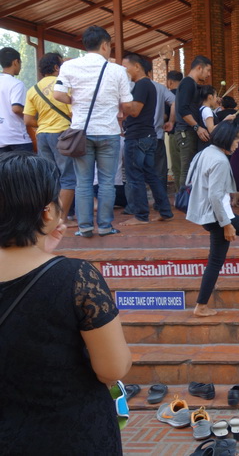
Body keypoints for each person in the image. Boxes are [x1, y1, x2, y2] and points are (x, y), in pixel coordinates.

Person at [0, 152, 132, 454]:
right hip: (72, 436)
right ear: (48, 212)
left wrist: (40, 246)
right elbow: (112, 368)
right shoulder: (76, 278)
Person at [53, 26, 134, 238]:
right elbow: (127, 104)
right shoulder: (117, 71)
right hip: (108, 132)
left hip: (81, 132)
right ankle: (105, 226)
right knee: (107, 182)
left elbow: (57, 94)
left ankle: (85, 227)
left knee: (83, 182)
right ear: (105, 45)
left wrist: (75, 102)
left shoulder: (69, 66)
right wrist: (118, 112)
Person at [185, 122, 239, 317]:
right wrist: (227, 225)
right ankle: (201, 306)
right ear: (226, 139)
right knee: (216, 260)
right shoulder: (220, 161)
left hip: (209, 212)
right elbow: (215, 196)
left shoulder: (206, 152)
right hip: (216, 215)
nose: (238, 145)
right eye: (236, 140)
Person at [120, 53, 173, 226]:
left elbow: (134, 111)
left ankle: (141, 215)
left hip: (138, 137)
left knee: (135, 177)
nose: (124, 71)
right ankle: (165, 210)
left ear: (136, 66)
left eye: (125, 66)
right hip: (148, 136)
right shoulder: (145, 85)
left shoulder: (142, 85)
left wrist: (120, 99)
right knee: (151, 175)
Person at [23, 52, 75, 224]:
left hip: (42, 136)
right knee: (68, 178)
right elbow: (74, 111)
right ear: (56, 67)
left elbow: (28, 120)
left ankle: (49, 218)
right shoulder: (63, 85)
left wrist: (45, 123)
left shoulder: (33, 90)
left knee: (50, 178)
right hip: (63, 135)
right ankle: (61, 219)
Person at [174, 55, 212, 186]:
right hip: (186, 131)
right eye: (207, 70)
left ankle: (189, 201)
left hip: (189, 131)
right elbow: (183, 110)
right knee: (187, 169)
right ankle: (183, 201)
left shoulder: (193, 85)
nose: (208, 74)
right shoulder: (187, 83)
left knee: (191, 168)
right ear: (199, 68)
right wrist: (197, 127)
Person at [0, 46, 33, 152]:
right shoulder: (16, 84)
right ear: (16, 62)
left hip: (1, 139)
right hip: (17, 139)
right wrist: (31, 115)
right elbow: (17, 109)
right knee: (26, 168)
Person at [149, 70, 175, 196]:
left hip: (136, 135)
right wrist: (171, 121)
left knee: (135, 172)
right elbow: (174, 102)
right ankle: (161, 201)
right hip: (156, 135)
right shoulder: (159, 87)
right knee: (159, 170)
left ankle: (136, 204)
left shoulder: (131, 86)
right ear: (150, 72)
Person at [165, 70, 183, 192]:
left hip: (174, 133)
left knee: (177, 167)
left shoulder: (168, 95)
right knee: (187, 165)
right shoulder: (187, 94)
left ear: (170, 82)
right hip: (188, 133)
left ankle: (181, 194)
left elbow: (165, 116)